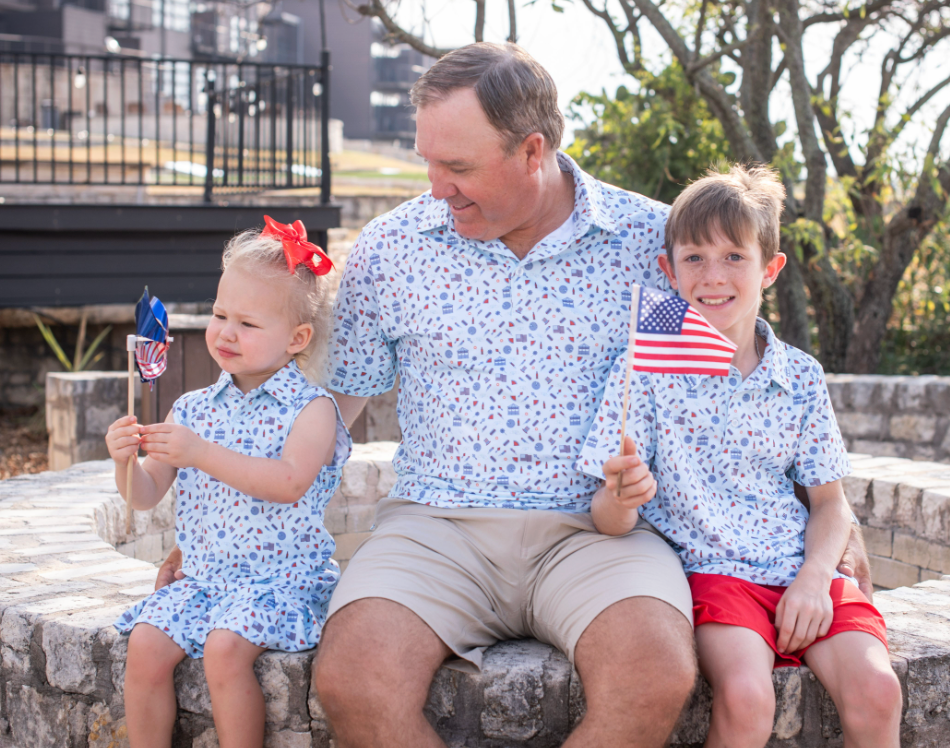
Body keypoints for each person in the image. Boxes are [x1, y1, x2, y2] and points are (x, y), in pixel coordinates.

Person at [155, 43, 873, 748]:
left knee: (655, 675)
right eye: (428, 161)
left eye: (458, 166)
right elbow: (324, 416)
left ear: (533, 152)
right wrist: (225, 533)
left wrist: (827, 518)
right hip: (435, 528)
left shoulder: (649, 244)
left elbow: (734, 382)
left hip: (598, 530)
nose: (437, 186)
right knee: (353, 681)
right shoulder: (393, 249)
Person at [577, 165, 901, 748]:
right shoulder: (645, 370)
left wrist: (814, 577)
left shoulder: (800, 376)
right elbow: (607, 517)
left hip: (802, 572)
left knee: (879, 689)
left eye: (734, 257)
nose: (713, 275)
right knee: (748, 697)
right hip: (712, 576)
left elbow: (830, 504)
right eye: (694, 258)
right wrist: (623, 497)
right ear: (667, 271)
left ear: (769, 269)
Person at [106, 217, 350, 748]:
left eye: (248, 323)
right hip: (204, 580)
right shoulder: (191, 408)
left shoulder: (312, 410)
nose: (226, 332)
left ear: (297, 339)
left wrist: (201, 453)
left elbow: (288, 483)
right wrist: (124, 462)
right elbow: (146, 495)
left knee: (223, 649)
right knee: (145, 644)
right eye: (220, 315)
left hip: (279, 583)